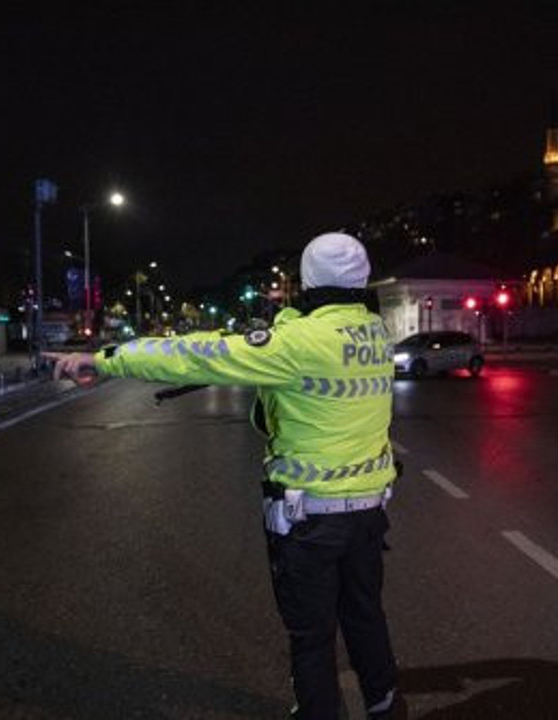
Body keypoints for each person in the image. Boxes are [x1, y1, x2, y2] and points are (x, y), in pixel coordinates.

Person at [46, 232, 401, 719]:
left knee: (313, 637)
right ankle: (386, 707)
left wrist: (106, 359)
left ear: (307, 282)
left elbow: (195, 353)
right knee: (366, 618)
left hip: (310, 522)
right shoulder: (377, 336)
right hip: (368, 516)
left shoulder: (297, 343)